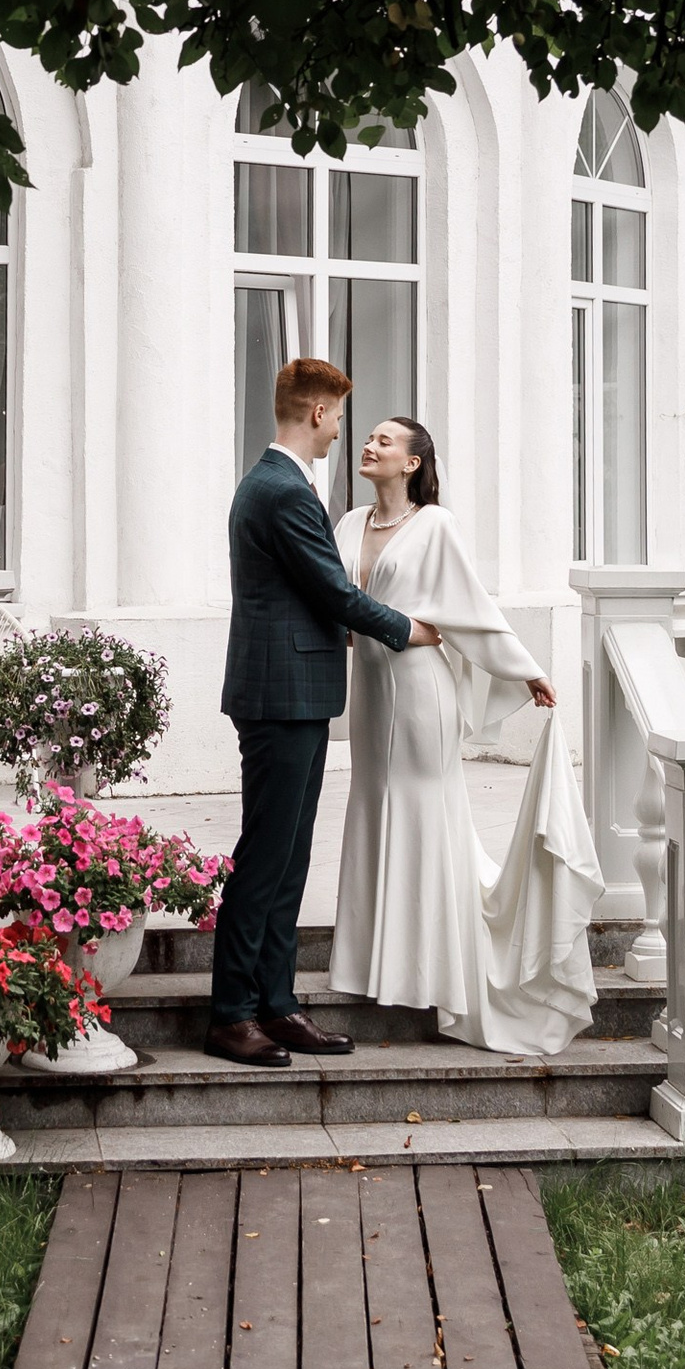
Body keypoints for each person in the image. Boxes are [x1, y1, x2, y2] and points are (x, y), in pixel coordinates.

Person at [329, 416, 603, 1055]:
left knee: (424, 811)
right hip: (368, 694)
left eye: (384, 441)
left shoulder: (436, 526)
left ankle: (433, 969)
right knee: (371, 805)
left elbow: (472, 611)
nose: (368, 446)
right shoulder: (346, 525)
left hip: (421, 692)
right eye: (367, 437)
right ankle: (376, 964)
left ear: (414, 463)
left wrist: (525, 668)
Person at [209, 357, 443, 1069]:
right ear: (316, 414)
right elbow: (334, 595)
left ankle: (276, 1005)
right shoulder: (280, 490)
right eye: (340, 417)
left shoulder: (282, 484)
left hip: (296, 692)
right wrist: (410, 629)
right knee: (265, 858)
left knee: (289, 857)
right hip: (280, 696)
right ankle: (230, 1015)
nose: (342, 432)